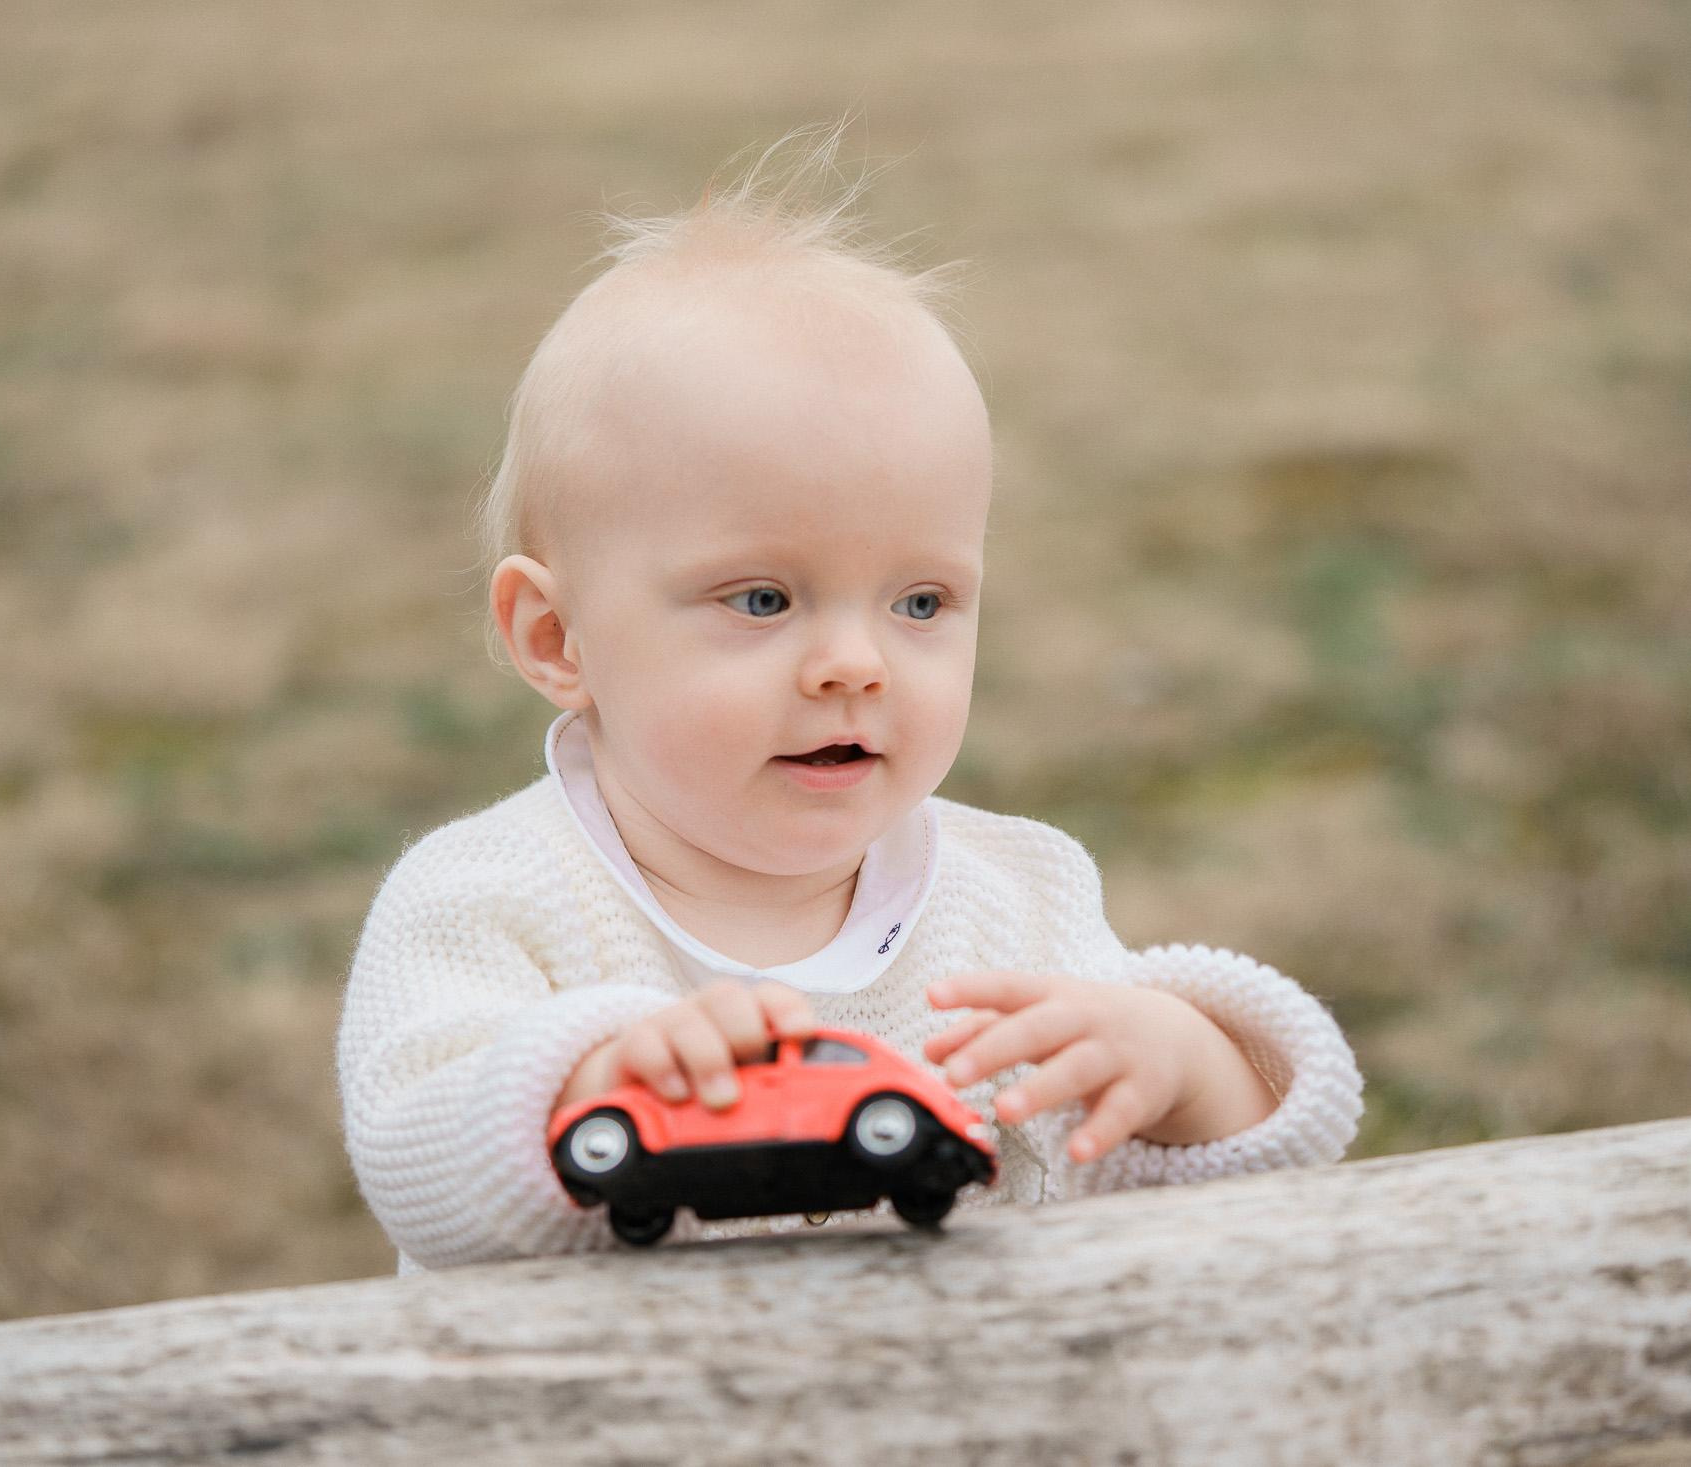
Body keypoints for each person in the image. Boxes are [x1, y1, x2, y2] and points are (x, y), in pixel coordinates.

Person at [337, 125, 1362, 1272]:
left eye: (920, 603)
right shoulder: (484, 902)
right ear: (555, 636)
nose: (854, 665)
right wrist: (589, 1074)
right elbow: (411, 1164)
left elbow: (1221, 1188)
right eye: (764, 599)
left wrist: (1185, 1068)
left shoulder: (1013, 901)